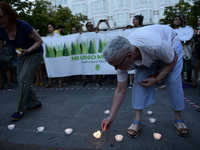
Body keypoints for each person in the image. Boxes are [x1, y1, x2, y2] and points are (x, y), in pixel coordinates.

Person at [101, 25, 189, 137]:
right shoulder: (120, 59)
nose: (116, 69)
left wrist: (157, 79)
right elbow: (120, 91)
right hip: (146, 50)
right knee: (140, 81)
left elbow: (173, 59)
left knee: (172, 80)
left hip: (170, 42)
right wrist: (110, 117)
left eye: (117, 65)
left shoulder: (155, 46)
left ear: (129, 56)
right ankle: (136, 121)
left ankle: (179, 119)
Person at [0, 2, 43, 120]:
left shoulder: (22, 25)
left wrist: (28, 50)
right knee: (21, 80)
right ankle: (35, 103)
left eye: (1, 16)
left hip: (35, 53)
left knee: (23, 79)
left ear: (9, 14)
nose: (0, 20)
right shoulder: (1, 30)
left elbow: (39, 41)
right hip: (20, 55)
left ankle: (19, 109)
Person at [83, 22, 102, 88]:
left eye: (92, 25)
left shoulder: (96, 33)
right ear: (87, 27)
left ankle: (98, 80)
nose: (91, 26)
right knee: (87, 67)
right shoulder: (84, 34)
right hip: (87, 53)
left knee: (97, 66)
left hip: (95, 52)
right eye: (89, 25)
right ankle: (87, 80)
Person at [128, 15, 144, 89]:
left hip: (142, 50)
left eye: (134, 20)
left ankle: (141, 81)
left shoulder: (144, 29)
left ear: (138, 20)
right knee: (132, 65)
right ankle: (131, 82)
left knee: (142, 65)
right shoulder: (131, 30)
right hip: (133, 50)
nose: (133, 21)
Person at [45, 22, 63, 88]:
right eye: (48, 27)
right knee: (49, 68)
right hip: (50, 55)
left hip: (57, 54)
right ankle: (49, 83)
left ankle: (60, 82)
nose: (49, 29)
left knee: (58, 68)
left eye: (50, 27)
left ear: (53, 28)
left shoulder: (58, 36)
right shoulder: (47, 37)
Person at [192, 18, 200, 87]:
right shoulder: (196, 31)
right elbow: (195, 41)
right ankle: (195, 79)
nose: (198, 22)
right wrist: (193, 48)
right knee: (196, 65)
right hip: (197, 49)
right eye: (198, 21)